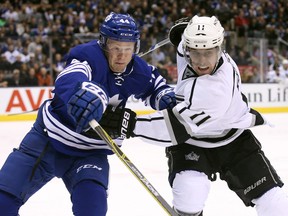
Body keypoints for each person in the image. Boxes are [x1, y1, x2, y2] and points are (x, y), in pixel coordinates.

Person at [108, 15, 288, 216]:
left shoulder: (216, 89)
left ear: (219, 49)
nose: (202, 62)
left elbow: (173, 128)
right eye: (196, 53)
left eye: (208, 53)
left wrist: (127, 123)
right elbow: (187, 39)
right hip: (193, 144)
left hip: (233, 140)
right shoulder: (189, 45)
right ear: (187, 48)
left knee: (275, 204)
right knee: (189, 193)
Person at [0, 12, 175, 216]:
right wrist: (86, 91)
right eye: (115, 48)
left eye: (128, 49)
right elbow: (69, 78)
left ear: (135, 47)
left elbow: (154, 85)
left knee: (92, 210)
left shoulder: (138, 69)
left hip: (91, 152)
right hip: (47, 141)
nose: (122, 56)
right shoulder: (88, 56)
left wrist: (165, 96)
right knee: (3, 204)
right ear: (103, 43)